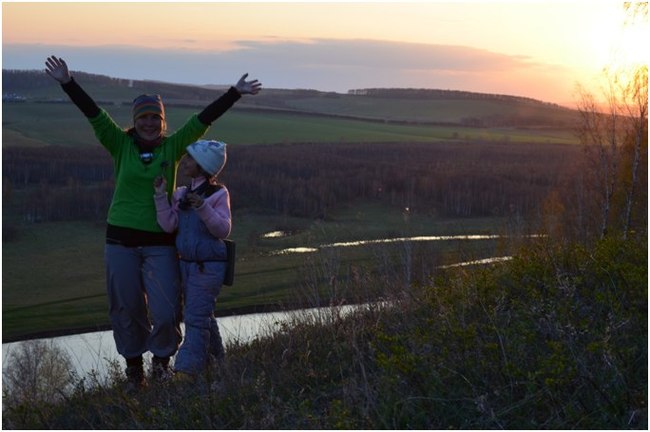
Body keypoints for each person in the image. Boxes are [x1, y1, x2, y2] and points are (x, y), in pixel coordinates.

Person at [44, 55, 261, 388]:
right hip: (120, 241)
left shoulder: (173, 148)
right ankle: (135, 371)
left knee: (165, 310)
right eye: (143, 118)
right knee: (126, 308)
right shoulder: (119, 144)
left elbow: (201, 120)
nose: (149, 123)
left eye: (155, 118)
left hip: (160, 242)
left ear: (163, 121)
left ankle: (161, 364)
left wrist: (235, 92)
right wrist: (67, 81)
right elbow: (94, 114)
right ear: (135, 120)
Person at [154, 140, 231, 377]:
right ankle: (220, 366)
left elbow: (223, 230)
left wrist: (203, 207)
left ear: (204, 166)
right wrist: (160, 197)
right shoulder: (182, 193)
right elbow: (169, 226)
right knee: (203, 315)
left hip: (208, 267)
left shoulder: (218, 194)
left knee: (195, 318)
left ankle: (186, 373)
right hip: (186, 266)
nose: (184, 162)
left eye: (190, 159)